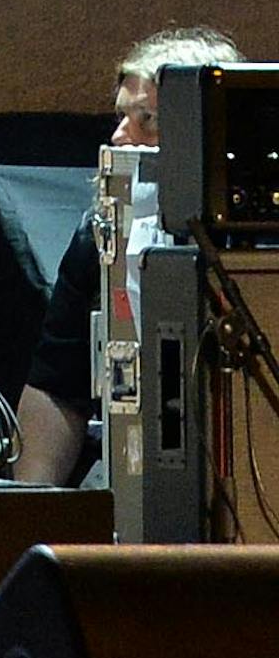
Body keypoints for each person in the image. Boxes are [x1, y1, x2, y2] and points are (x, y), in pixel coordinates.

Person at [15, 26, 244, 484]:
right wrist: (31, 511)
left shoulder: (252, 241)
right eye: (121, 117)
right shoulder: (97, 235)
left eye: (147, 120)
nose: (121, 136)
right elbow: (57, 388)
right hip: (135, 469)